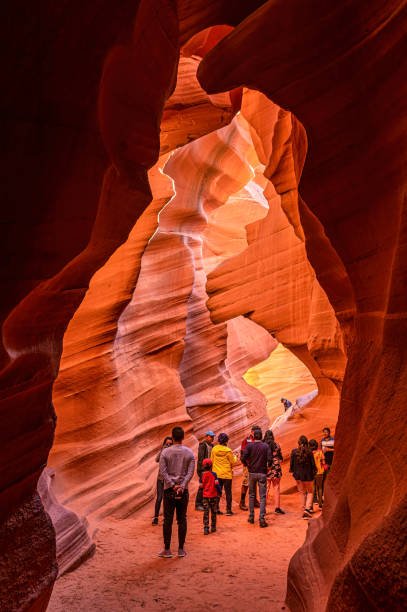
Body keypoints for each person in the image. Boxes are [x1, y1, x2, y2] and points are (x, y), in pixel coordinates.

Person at [158, 426, 195, 558]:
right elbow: (190, 472)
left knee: (167, 520)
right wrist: (182, 485)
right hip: (183, 491)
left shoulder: (165, 453)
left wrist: (173, 485)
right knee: (182, 519)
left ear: (172, 437)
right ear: (183, 437)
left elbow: (163, 471)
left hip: (169, 490)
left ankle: (167, 550)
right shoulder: (189, 453)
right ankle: (180, 549)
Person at [242, 428, 271, 527]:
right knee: (262, 497)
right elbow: (270, 460)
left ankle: (251, 517)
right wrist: (268, 468)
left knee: (251, 495)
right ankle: (262, 519)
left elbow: (243, 457)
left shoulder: (249, 446)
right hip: (262, 473)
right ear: (261, 436)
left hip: (252, 473)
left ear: (254, 437)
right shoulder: (265, 446)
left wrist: (247, 465)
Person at [289, 435, 317, 519]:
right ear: (306, 443)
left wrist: (294, 472)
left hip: (298, 475)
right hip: (308, 475)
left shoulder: (294, 452)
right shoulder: (309, 452)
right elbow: (313, 465)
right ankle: (307, 510)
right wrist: (315, 472)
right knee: (310, 492)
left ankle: (303, 509)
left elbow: (292, 465)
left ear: (299, 442)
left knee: (302, 492)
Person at [211, 432, 237, 516]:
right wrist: (236, 457)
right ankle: (228, 510)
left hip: (217, 474)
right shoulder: (228, 451)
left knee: (217, 492)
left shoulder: (214, 449)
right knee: (228, 492)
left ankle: (216, 508)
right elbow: (232, 462)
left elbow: (212, 460)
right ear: (226, 441)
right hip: (226, 474)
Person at [239, 425, 261, 510]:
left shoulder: (257, 440)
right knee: (246, 483)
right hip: (248, 466)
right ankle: (242, 502)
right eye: (256, 432)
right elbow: (242, 454)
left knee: (254, 482)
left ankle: (254, 500)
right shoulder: (246, 440)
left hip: (255, 465)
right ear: (252, 432)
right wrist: (246, 464)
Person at [152, 436, 173, 525]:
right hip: (160, 479)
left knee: (167, 499)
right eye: (166, 444)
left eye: (170, 444)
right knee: (159, 498)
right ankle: (156, 517)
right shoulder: (162, 451)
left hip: (169, 480)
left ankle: (166, 518)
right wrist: (162, 450)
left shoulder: (173, 453)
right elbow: (156, 460)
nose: (168, 445)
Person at [263, 429, 285, 515]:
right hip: (275, 467)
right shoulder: (276, 445)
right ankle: (277, 508)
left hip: (266, 468)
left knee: (266, 488)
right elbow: (280, 457)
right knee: (276, 488)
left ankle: (263, 508)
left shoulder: (263, 445)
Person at [195, 430, 215, 511]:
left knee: (208, 486)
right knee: (202, 486)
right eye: (211, 437)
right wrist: (202, 470)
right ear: (206, 436)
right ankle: (198, 504)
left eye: (213, 437)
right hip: (203, 469)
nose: (212, 438)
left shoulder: (212, 446)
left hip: (209, 469)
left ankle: (204, 503)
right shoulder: (203, 445)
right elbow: (200, 459)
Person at [200, 458, 221, 535]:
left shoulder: (202, 475)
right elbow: (217, 485)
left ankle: (206, 528)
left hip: (205, 496)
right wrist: (220, 491)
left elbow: (201, 486)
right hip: (213, 496)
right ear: (211, 466)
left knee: (206, 512)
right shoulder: (214, 474)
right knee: (213, 511)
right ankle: (213, 527)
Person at [309, 439, 324, 509]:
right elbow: (323, 462)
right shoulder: (320, 452)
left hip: (311, 473)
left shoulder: (309, 453)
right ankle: (320, 505)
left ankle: (311, 506)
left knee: (312, 490)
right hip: (320, 472)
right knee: (320, 488)